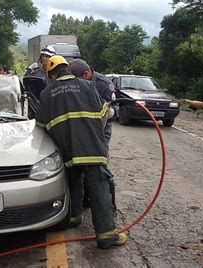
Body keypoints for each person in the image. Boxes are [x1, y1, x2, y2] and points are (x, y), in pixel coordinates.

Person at [35, 55, 127, 249]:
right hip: (91, 148)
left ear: (51, 76)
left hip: (67, 150)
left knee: (73, 184)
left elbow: (41, 124)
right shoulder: (87, 86)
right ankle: (106, 236)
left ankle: (74, 217)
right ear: (67, 68)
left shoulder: (46, 94)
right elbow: (103, 114)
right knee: (99, 188)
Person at [68, 59, 118, 213]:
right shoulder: (73, 82)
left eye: (79, 79)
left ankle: (107, 206)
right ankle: (84, 199)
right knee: (80, 165)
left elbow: (116, 109)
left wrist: (107, 113)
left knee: (99, 166)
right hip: (81, 128)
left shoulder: (103, 84)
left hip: (100, 129)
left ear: (86, 73)